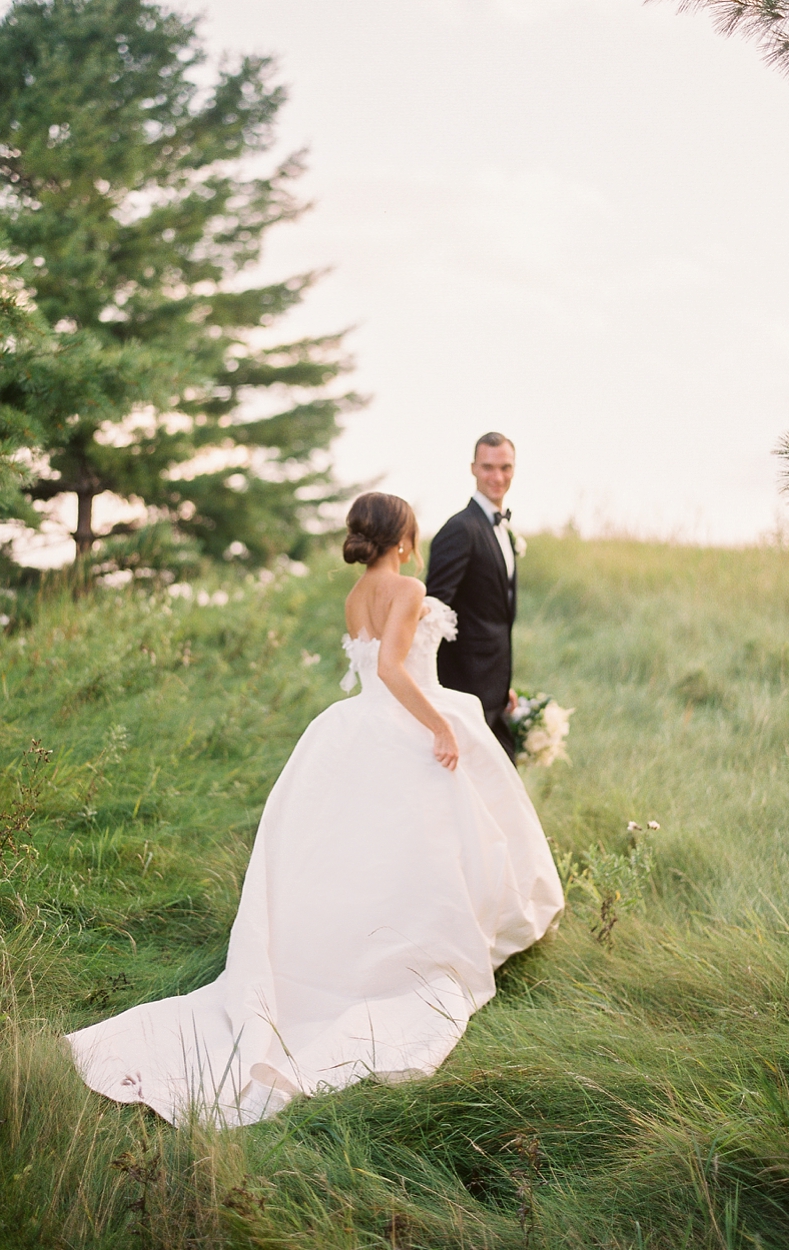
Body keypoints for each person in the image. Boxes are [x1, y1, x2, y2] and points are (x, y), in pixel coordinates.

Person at [65, 492, 563, 1128]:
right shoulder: (408, 590)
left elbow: (369, 667)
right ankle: (419, 955)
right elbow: (390, 667)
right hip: (406, 721)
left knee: (360, 854)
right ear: (404, 537)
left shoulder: (356, 596)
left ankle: (353, 954)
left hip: (357, 729)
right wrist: (441, 725)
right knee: (435, 845)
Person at [426, 432, 520, 761]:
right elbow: (434, 610)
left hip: (494, 687)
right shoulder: (460, 529)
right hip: (463, 688)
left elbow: (494, 616)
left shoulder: (502, 529)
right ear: (473, 469)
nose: (497, 477)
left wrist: (502, 681)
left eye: (505, 467)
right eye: (488, 467)